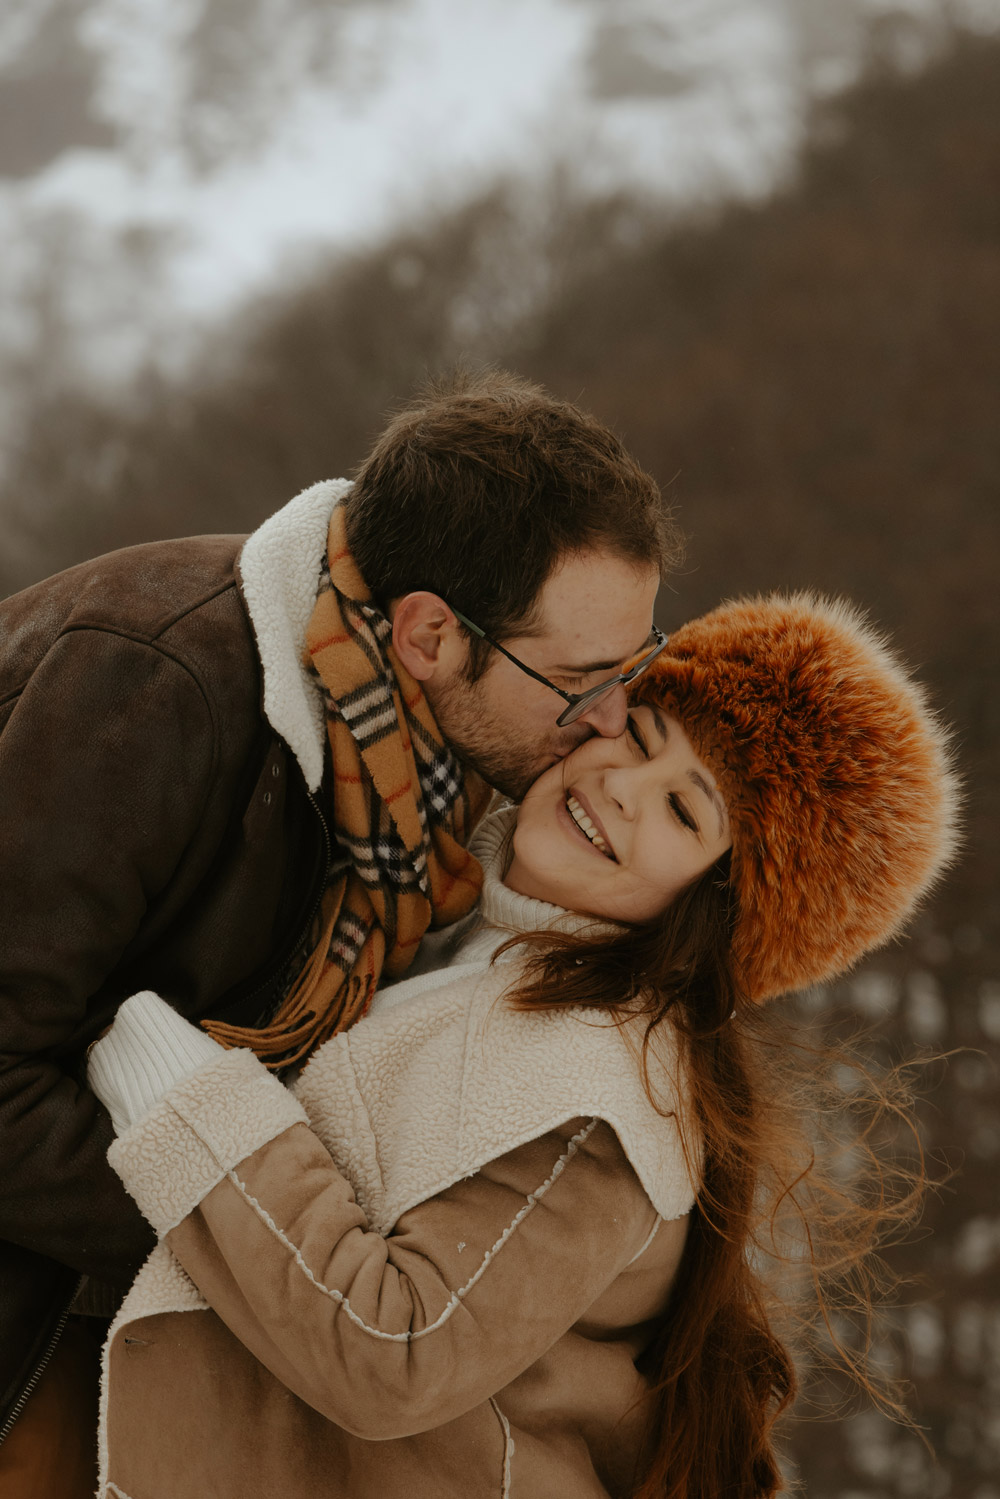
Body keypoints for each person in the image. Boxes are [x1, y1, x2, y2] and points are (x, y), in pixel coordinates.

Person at [87, 591, 959, 1499]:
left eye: (684, 813)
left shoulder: (599, 1098)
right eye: (645, 733)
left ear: (719, 912)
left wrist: (175, 1090)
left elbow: (397, 1352)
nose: (623, 785)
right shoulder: (438, 917)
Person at [0, 369, 680, 1492]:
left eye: (634, 663)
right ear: (427, 636)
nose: (609, 719)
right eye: (578, 679)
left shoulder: (435, 777)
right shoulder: (152, 686)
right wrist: (253, 1249)